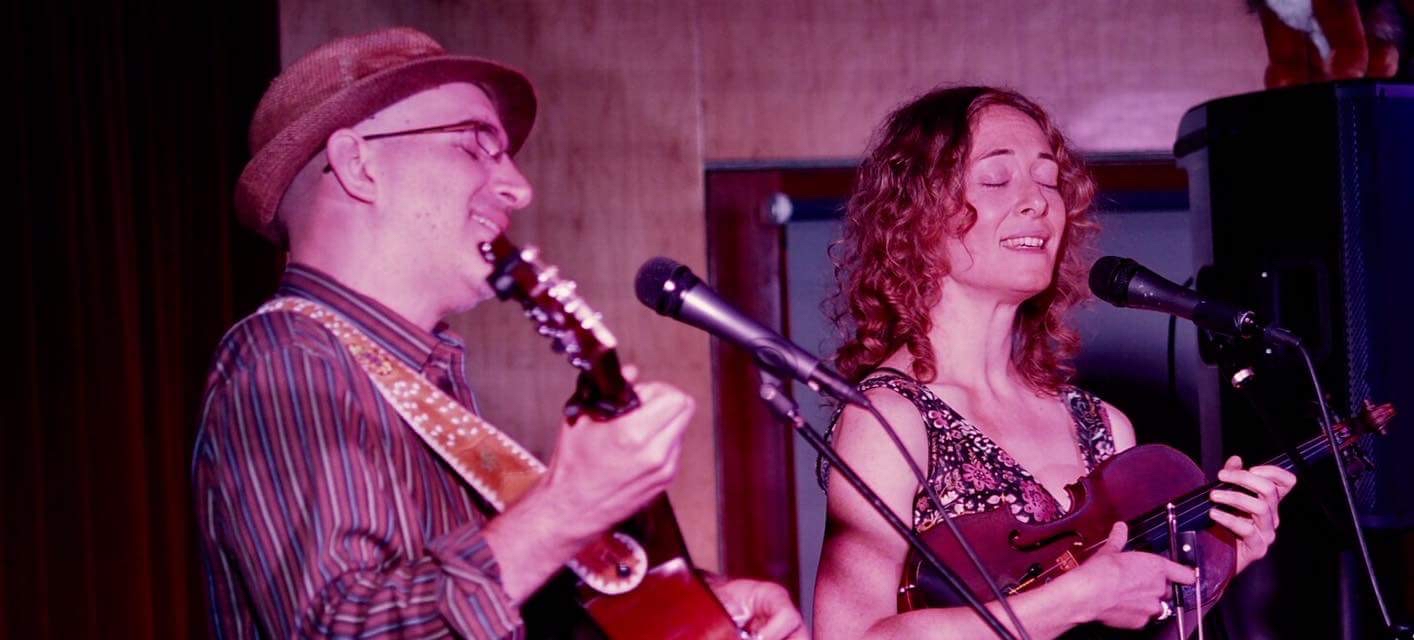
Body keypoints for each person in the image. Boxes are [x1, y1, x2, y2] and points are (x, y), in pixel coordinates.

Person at [192, 27, 804, 640]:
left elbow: (490, 602)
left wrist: (699, 605)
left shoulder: (420, 390)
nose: (519, 187)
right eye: (474, 146)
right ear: (359, 165)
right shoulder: (288, 358)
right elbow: (343, 628)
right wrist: (564, 508)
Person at [811, 86, 1298, 639]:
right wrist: (1078, 597)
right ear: (917, 214)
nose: (1038, 201)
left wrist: (1226, 561)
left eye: (1048, 180)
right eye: (996, 180)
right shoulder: (888, 417)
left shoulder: (1101, 425)